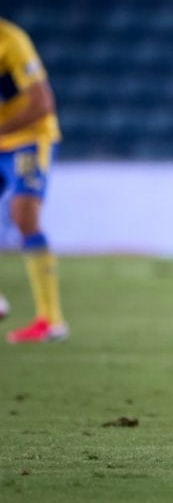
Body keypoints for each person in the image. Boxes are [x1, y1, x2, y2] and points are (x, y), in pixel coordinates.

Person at [0, 17, 67, 344]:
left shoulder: (11, 41)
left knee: (24, 215)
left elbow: (42, 103)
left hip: (29, 138)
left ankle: (51, 321)